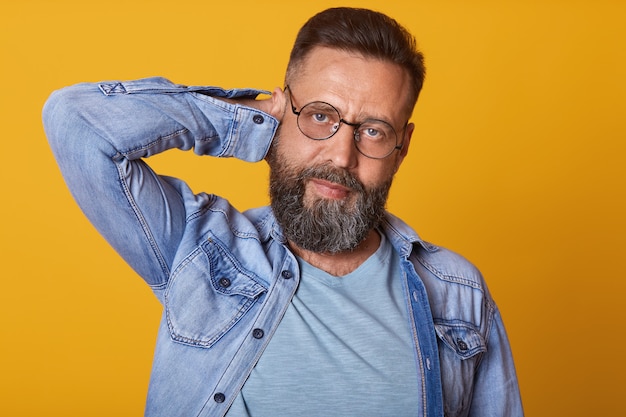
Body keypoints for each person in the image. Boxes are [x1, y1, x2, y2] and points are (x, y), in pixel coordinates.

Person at [43, 7, 523, 417]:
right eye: (320, 116)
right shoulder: (199, 250)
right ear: (280, 112)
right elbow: (75, 121)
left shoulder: (457, 294)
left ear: (402, 148)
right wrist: (244, 124)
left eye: (373, 130)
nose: (340, 155)